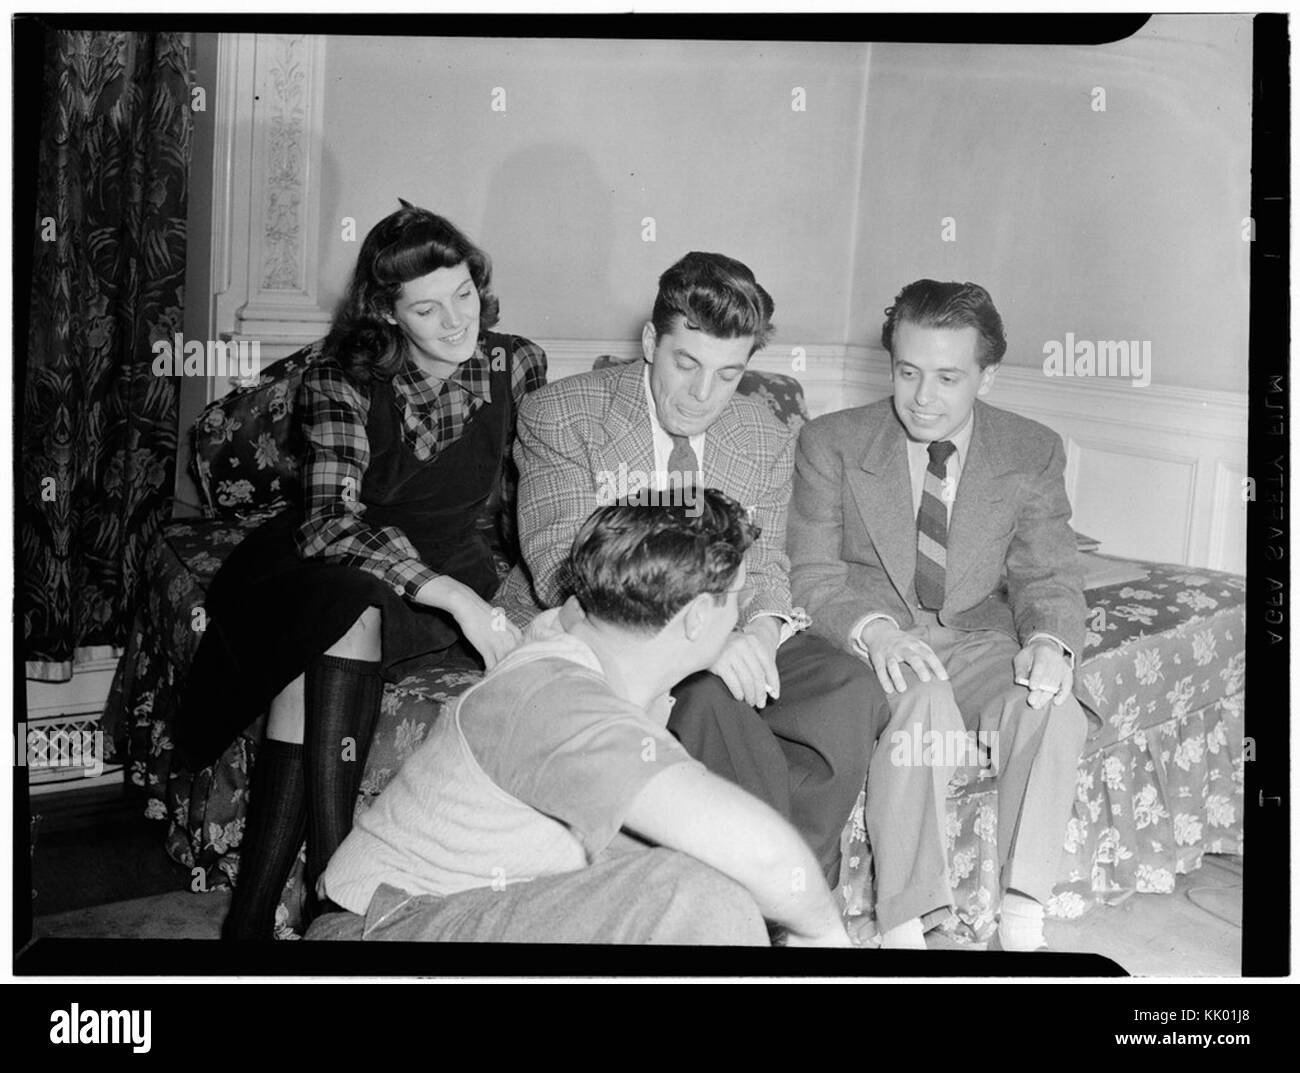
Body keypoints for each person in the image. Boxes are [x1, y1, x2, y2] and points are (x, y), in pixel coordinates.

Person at [177, 202, 547, 941]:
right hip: (309, 565)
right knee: (346, 604)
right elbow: (330, 524)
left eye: (464, 295)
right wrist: (458, 603)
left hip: (424, 574)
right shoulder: (340, 375)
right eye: (426, 308)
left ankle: (252, 924)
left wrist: (528, 597)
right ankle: (335, 892)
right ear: (387, 311)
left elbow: (527, 502)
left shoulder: (517, 362)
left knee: (331, 639)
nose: (454, 323)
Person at [495, 251, 885, 887]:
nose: (705, 395)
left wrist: (761, 628)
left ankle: (796, 890)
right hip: (603, 631)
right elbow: (564, 568)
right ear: (652, 342)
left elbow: (764, 563)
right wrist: (706, 640)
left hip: (723, 621)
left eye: (729, 375)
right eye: (687, 364)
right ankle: (746, 897)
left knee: (848, 689)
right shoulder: (562, 415)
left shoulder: (762, 436)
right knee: (704, 695)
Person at [309, 490, 852, 946]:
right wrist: (827, 936)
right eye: (736, 599)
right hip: (382, 929)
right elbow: (764, 854)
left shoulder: (595, 641)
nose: (740, 614)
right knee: (700, 895)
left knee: (703, 881)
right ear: (696, 619)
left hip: (467, 912)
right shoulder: (553, 693)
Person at [787, 279, 1090, 951]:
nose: (923, 397)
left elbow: (1049, 573)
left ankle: (1021, 920)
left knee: (1050, 704)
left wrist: (1047, 642)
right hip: (874, 639)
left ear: (988, 376)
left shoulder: (1031, 448)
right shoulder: (830, 441)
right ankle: (909, 927)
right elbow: (812, 575)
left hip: (976, 638)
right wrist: (875, 631)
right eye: (908, 372)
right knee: (921, 699)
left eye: (948, 377)